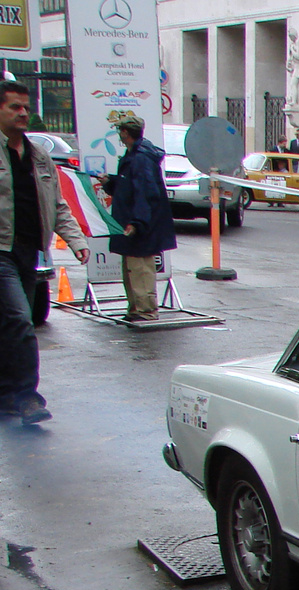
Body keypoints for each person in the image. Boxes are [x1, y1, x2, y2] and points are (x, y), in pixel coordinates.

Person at [1, 80, 89, 424]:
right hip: (0, 253)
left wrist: (78, 242)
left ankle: (5, 393)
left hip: (29, 252)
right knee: (21, 321)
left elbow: (57, 205)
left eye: (26, 107)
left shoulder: (38, 156)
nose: (23, 113)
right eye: (15, 107)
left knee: (9, 325)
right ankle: (27, 398)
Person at [102, 115, 176, 323]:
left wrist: (137, 223)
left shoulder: (140, 158)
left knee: (140, 269)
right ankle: (136, 309)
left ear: (125, 133)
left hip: (140, 227)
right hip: (133, 222)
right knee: (132, 269)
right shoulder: (134, 156)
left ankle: (145, 311)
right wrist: (111, 183)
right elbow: (130, 187)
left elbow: (145, 192)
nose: (118, 134)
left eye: (120, 131)